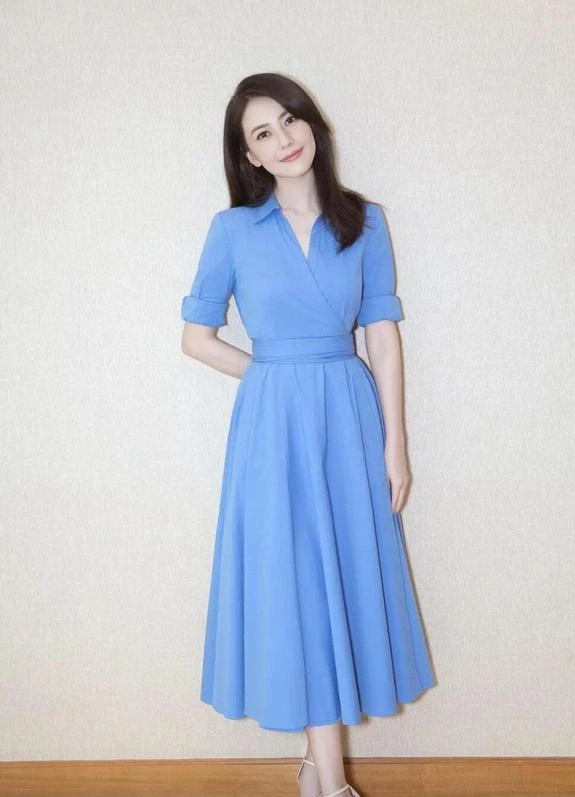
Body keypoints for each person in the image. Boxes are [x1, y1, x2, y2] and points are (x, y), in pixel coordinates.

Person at [180, 72, 436, 797]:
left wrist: (395, 444)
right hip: (272, 429)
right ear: (250, 156)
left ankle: (315, 771)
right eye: (263, 133)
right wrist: (270, 375)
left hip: (347, 420)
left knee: (338, 580)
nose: (283, 139)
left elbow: (381, 334)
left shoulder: (366, 222)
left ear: (312, 124)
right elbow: (196, 339)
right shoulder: (233, 230)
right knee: (292, 581)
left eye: (289, 120)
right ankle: (333, 783)